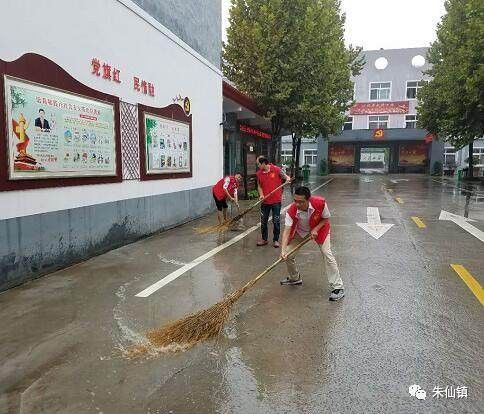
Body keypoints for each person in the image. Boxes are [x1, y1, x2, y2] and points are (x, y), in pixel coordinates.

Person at [280, 186, 345, 301]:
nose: (297, 204)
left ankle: (338, 287)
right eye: (295, 201)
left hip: (320, 229)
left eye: (301, 202)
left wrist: (316, 229)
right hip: (301, 231)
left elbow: (326, 218)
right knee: (288, 255)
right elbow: (287, 231)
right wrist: (283, 250)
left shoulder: (320, 203)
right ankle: (295, 278)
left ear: (308, 199)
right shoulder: (291, 210)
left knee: (327, 253)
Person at [256, 156, 291, 247]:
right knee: (263, 221)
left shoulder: (276, 169)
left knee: (276, 220)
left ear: (263, 163)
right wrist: (261, 195)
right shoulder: (259, 174)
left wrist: (287, 179)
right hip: (265, 202)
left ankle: (276, 240)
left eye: (258, 164)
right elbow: (259, 186)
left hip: (276, 201)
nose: (258, 166)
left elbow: (286, 176)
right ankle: (264, 239)